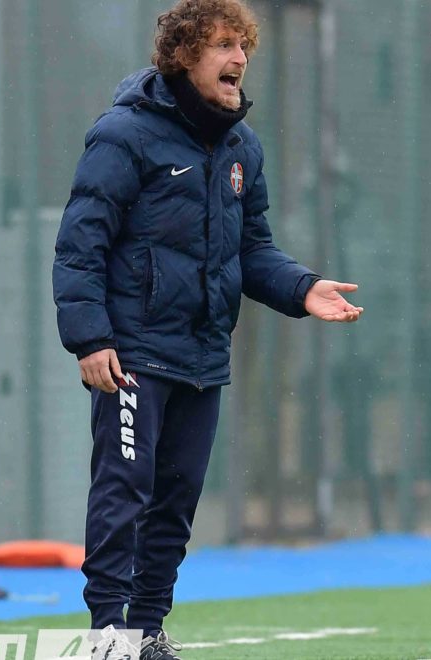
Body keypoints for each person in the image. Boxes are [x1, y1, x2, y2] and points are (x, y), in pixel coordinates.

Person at [51, 2, 362, 658]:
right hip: (133, 355)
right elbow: (81, 245)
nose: (239, 58)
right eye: (223, 45)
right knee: (123, 492)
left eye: (243, 46)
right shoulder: (124, 135)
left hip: (203, 356)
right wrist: (91, 339)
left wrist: (302, 287)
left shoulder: (243, 147)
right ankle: (107, 633)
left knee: (176, 501)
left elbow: (253, 251)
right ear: (183, 55)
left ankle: (147, 630)